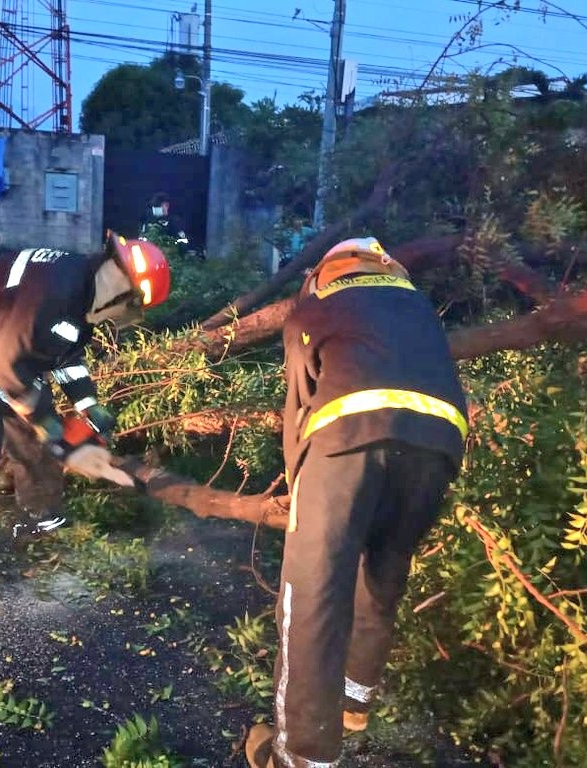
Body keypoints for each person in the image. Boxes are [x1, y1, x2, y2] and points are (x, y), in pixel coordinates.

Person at [245, 237, 468, 767]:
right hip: (439, 445)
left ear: (326, 273)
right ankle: (352, 703)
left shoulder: (315, 306)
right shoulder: (417, 306)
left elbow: (299, 403)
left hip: (345, 439)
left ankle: (301, 755)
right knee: (385, 567)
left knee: (312, 595)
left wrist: (300, 485)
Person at [0, 231, 171, 601]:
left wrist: (90, 408)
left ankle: (41, 521)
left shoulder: (82, 289)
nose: (124, 316)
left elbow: (66, 355)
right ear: (123, 288)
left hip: (3, 347)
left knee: (37, 439)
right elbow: (7, 367)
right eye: (131, 306)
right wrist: (55, 430)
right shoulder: (54, 289)